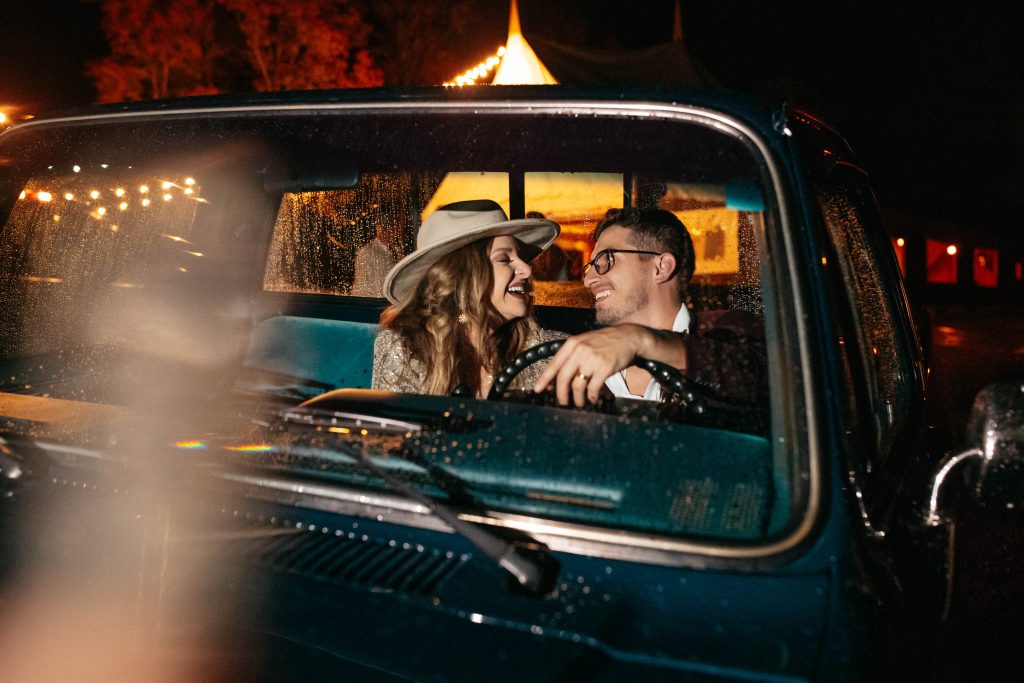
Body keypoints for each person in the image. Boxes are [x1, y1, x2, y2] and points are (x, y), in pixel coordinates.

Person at [533, 207, 766, 408]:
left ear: (661, 267)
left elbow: (756, 379)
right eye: (591, 266)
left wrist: (641, 340)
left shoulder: (726, 330)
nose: (589, 280)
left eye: (606, 261)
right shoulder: (582, 363)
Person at [372, 199, 565, 397]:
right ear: (461, 276)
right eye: (504, 259)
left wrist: (599, 342)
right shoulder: (406, 349)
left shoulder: (544, 350)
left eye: (522, 258)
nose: (526, 269)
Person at [351, 223, 399, 297]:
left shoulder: (396, 250)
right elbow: (374, 286)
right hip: (369, 303)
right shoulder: (368, 252)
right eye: (393, 230)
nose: (396, 234)